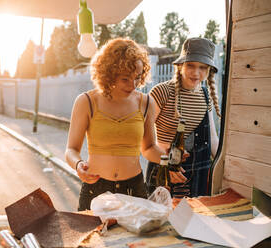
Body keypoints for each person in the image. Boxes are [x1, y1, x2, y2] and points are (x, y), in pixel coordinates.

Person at [65, 38, 166, 211]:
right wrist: (78, 165)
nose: (133, 85)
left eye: (137, 78)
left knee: (136, 239)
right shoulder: (86, 101)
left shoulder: (146, 102)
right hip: (95, 190)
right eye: (125, 79)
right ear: (109, 74)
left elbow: (148, 148)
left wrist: (168, 162)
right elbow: (71, 150)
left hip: (134, 190)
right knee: (94, 238)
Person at [146, 37, 221, 198]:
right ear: (180, 65)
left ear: (208, 70)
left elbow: (213, 140)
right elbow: (142, 140)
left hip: (197, 177)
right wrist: (166, 165)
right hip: (164, 173)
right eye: (191, 65)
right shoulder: (162, 92)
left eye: (202, 67)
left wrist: (227, 169)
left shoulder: (205, 96)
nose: (196, 73)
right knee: (164, 220)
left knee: (193, 220)